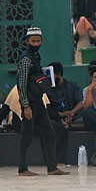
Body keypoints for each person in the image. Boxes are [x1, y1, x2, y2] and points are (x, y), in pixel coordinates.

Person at [16, 27, 68, 176]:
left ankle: (52, 167)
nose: (36, 43)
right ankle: (22, 168)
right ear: (27, 41)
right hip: (30, 103)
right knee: (27, 135)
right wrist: (25, 105)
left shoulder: (36, 56)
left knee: (49, 132)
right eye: (33, 41)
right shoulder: (26, 59)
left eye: (38, 41)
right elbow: (22, 83)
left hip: (38, 101)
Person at [43, 62, 84, 166]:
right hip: (57, 117)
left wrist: (71, 113)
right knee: (54, 126)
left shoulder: (72, 86)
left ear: (59, 74)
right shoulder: (47, 89)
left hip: (74, 116)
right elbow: (48, 107)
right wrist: (61, 116)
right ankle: (57, 160)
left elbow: (80, 102)